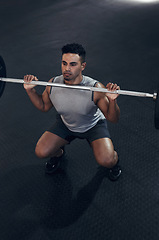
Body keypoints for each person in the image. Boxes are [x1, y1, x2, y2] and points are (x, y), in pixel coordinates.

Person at [23, 43, 121, 181]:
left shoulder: (95, 88)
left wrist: (112, 101)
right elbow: (44, 106)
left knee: (107, 160)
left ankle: (115, 162)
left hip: (93, 126)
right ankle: (59, 154)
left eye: (73, 64)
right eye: (64, 63)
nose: (67, 68)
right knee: (41, 151)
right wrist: (30, 90)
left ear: (83, 66)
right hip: (66, 124)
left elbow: (113, 119)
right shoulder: (53, 84)